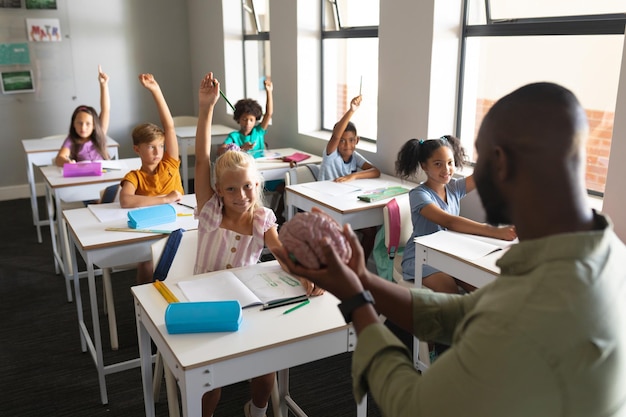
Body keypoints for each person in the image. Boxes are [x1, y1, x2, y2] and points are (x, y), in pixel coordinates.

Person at [274, 82, 626, 417]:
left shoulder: (535, 307)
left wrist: (355, 302)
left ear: (498, 164)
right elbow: (467, 312)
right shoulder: (606, 253)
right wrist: (361, 279)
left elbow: (412, 407)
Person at [194, 72, 323, 417]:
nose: (241, 196)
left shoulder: (262, 218)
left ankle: (257, 410)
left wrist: (305, 274)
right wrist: (206, 108)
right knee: (211, 381)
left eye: (249, 186)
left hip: (247, 301)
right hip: (204, 302)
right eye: (232, 189)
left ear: (258, 184)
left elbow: (280, 252)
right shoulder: (210, 210)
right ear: (219, 190)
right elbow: (201, 161)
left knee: (266, 370)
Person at [395, 135, 516, 294]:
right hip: (421, 256)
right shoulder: (418, 195)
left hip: (449, 253)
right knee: (450, 290)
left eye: (450, 163)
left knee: (481, 288)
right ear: (424, 166)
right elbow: (449, 222)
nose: (446, 170)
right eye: (438, 164)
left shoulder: (453, 188)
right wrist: (495, 231)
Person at [119, 73, 183, 284]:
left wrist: (156, 90)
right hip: (152, 227)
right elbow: (126, 200)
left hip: (178, 223)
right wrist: (164, 199)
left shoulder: (170, 164)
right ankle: (143, 298)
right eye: (150, 147)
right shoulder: (134, 176)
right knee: (146, 260)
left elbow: (170, 127)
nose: (157, 151)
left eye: (160, 146)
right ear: (137, 149)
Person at [318, 94, 381, 260]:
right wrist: (351, 110)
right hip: (327, 206)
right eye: (342, 141)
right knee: (342, 235)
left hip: (345, 205)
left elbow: (375, 171)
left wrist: (353, 177)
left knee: (371, 230)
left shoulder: (355, 156)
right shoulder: (331, 155)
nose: (346, 145)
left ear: (357, 140)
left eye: (351, 140)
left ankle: (358, 267)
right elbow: (335, 136)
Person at [55, 65, 111, 166]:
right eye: (79, 123)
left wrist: (103, 85)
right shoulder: (71, 139)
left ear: (94, 125)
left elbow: (105, 109)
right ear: (73, 124)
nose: (83, 127)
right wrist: (67, 162)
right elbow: (59, 158)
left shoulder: (100, 132)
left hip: (104, 175)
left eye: (88, 124)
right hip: (85, 177)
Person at [218, 78, 273, 156]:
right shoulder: (234, 136)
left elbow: (268, 113)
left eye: (251, 120)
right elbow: (220, 151)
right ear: (238, 119)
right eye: (244, 119)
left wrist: (269, 91)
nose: (248, 123)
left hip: (261, 165)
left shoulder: (258, 132)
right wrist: (240, 148)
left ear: (255, 120)